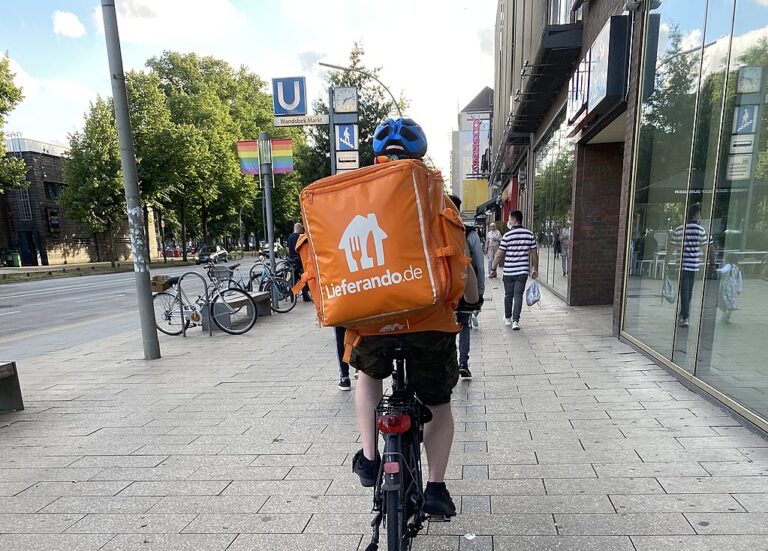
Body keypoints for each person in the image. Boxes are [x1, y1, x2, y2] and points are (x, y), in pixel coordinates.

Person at [350, 117, 478, 518]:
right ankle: (436, 488)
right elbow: (463, 268)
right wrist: (471, 302)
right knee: (438, 402)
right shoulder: (441, 199)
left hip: (374, 320)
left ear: (376, 158)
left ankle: (371, 459)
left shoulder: (354, 198)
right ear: (421, 158)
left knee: (368, 375)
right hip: (430, 323)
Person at [448, 195, 485, 379]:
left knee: (445, 328)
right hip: (464, 288)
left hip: (444, 292)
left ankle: (450, 364)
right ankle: (463, 363)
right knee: (464, 325)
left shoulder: (435, 229)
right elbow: (479, 264)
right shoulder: (469, 232)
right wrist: (479, 293)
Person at [667, 204, 715, 327]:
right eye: (700, 214)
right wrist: (709, 263)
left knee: (683, 291)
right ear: (696, 214)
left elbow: (671, 249)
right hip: (694, 266)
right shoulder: (701, 231)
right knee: (688, 291)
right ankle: (684, 314)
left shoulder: (679, 230)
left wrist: (666, 263)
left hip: (681, 266)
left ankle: (685, 315)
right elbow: (708, 249)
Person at [490, 210, 538, 330]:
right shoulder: (529, 234)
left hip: (509, 272)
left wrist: (493, 269)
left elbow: (498, 255)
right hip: (522, 271)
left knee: (508, 295)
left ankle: (508, 318)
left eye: (510, 219)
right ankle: (516, 321)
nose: (508, 221)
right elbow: (534, 254)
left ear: (515, 220)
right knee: (518, 296)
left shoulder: (507, 236)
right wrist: (534, 269)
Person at [286, 223, 312, 302]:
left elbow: (287, 249)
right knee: (303, 278)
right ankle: (304, 296)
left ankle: (292, 294)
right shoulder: (300, 237)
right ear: (300, 229)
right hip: (300, 260)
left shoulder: (290, 237)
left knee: (295, 278)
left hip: (292, 261)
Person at [716, 254, 742, 324]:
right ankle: (727, 317)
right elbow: (739, 279)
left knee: (726, 301)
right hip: (733, 287)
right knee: (730, 303)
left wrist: (715, 270)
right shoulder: (737, 268)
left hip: (726, 286)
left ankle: (724, 317)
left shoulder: (728, 265)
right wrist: (739, 288)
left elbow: (723, 270)